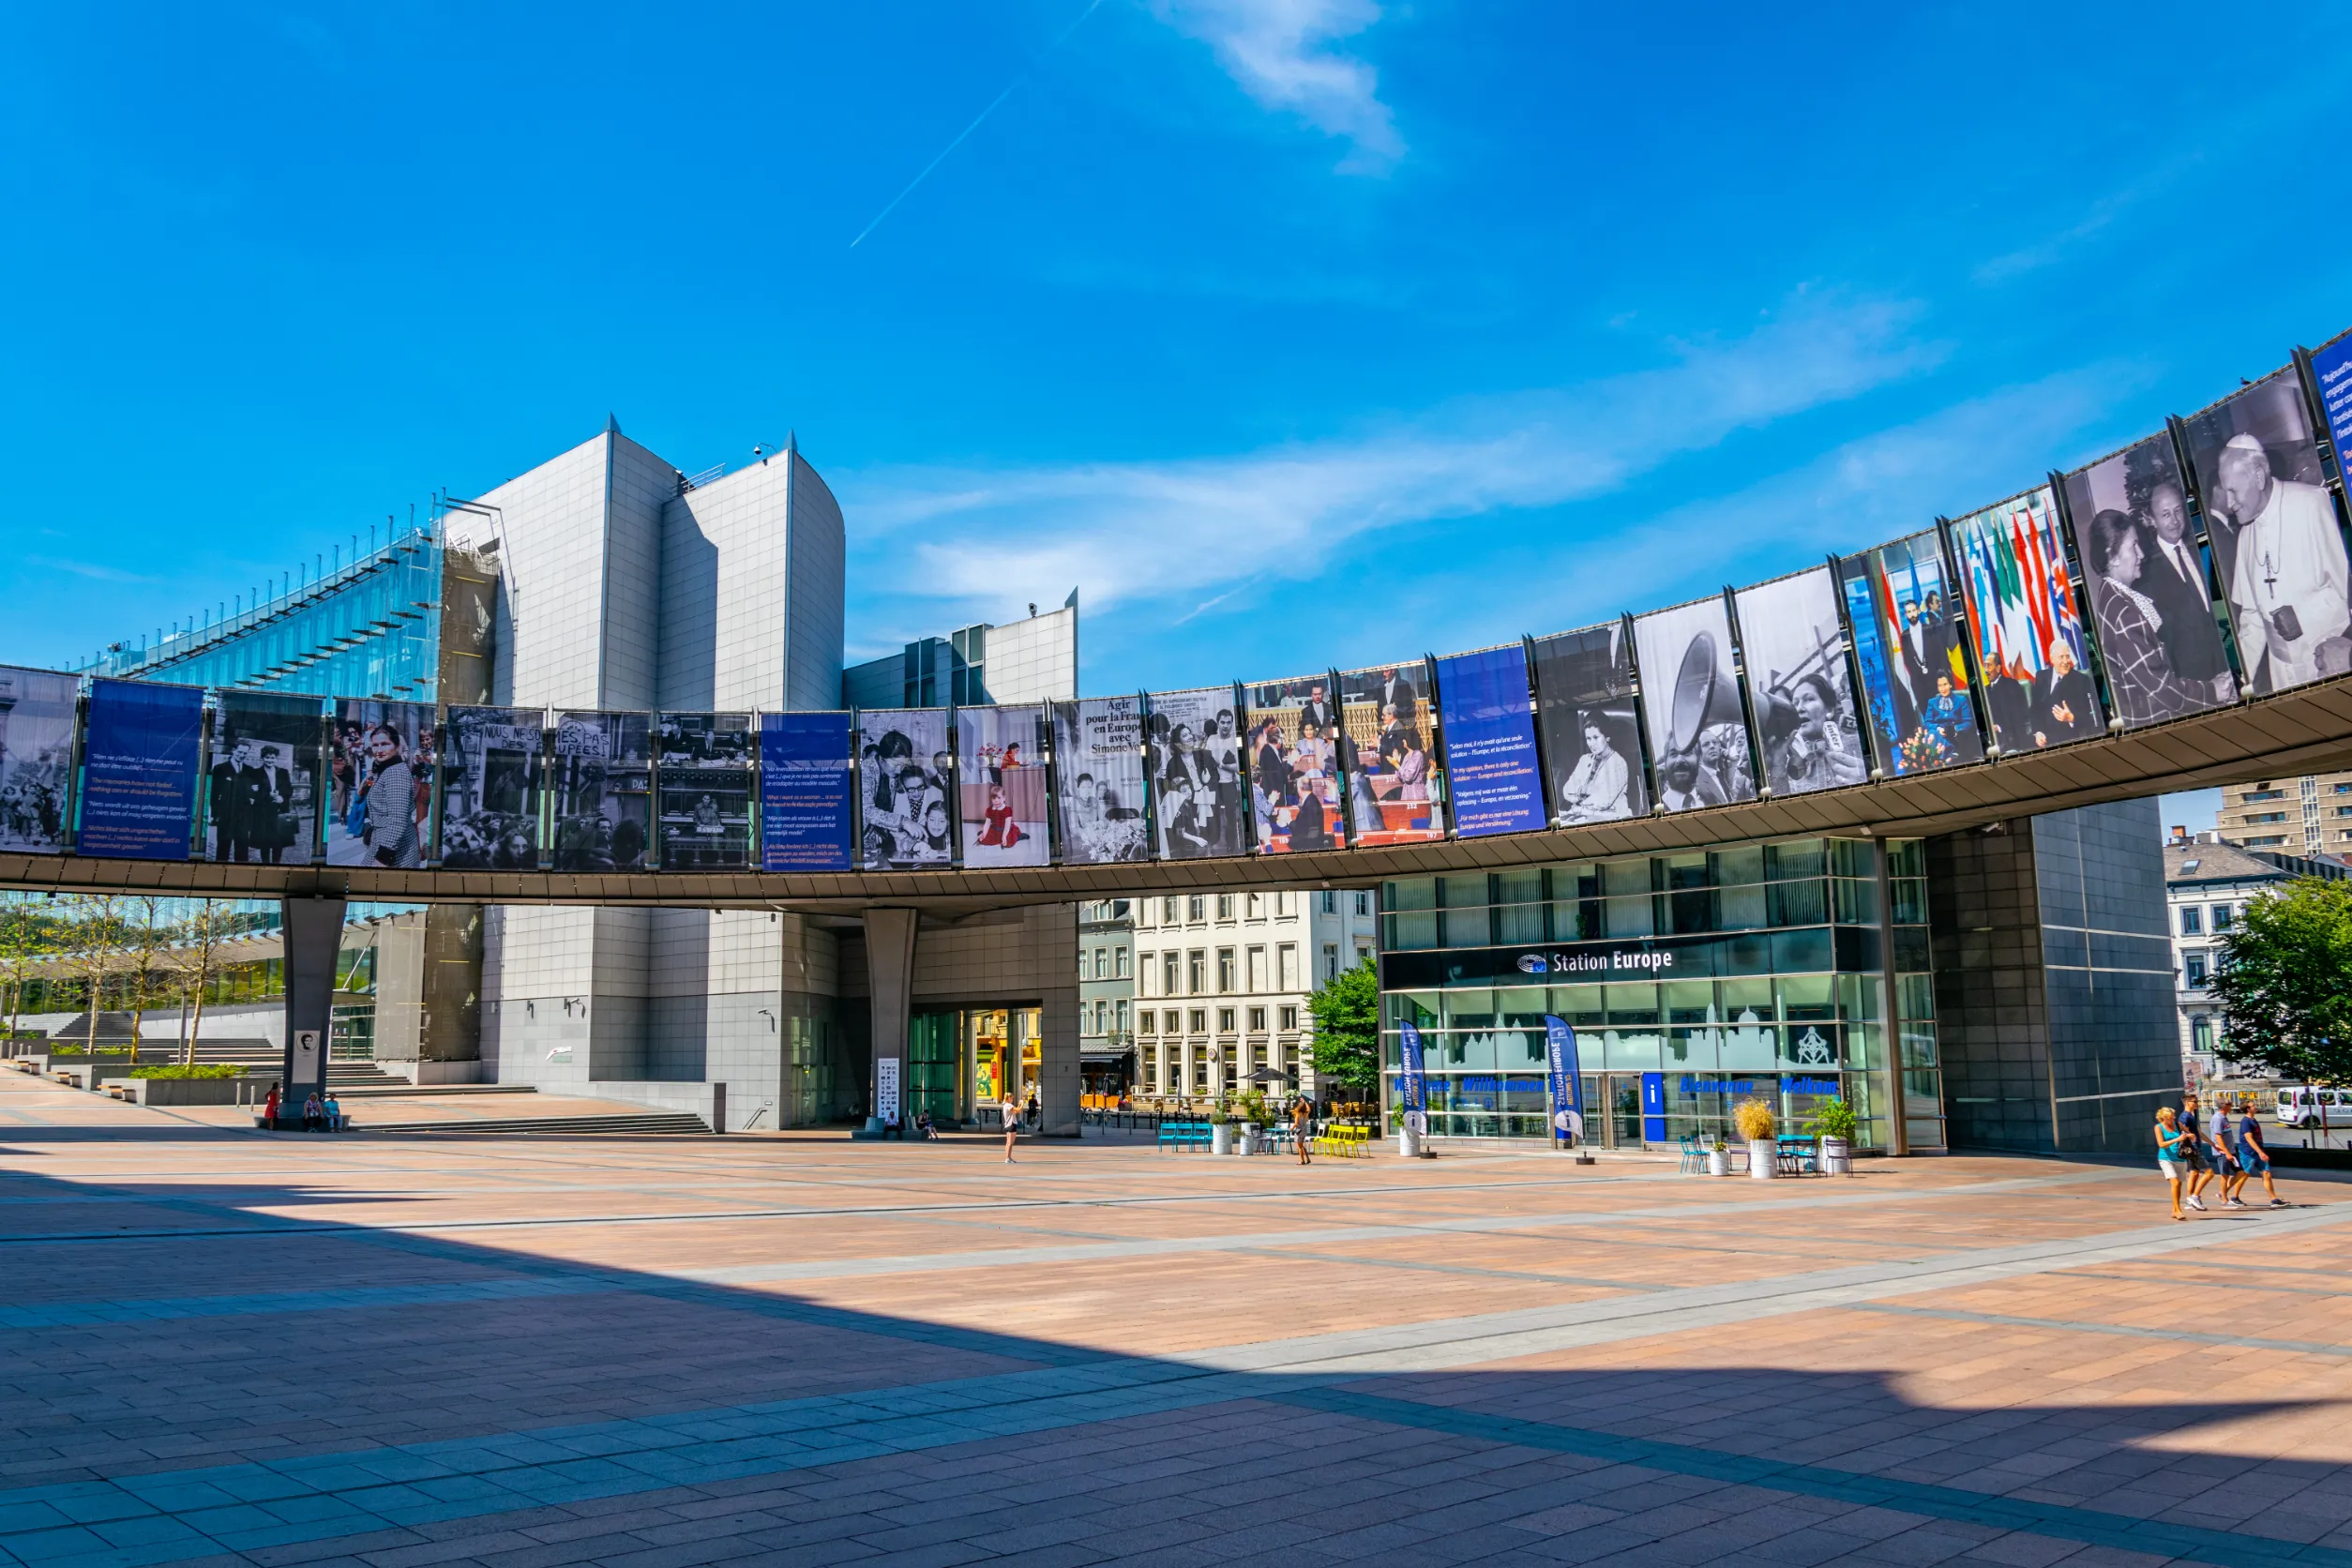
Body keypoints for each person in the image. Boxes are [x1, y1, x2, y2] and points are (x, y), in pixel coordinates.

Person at [2214, 432, 2351, 691]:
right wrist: (2239, 676)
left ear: (2258, 475)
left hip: (2330, 663)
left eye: (2233, 491)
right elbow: (2252, 619)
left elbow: (2347, 588)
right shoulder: (2246, 536)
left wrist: (2303, 616)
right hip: (2283, 676)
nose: (2229, 503)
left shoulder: (2311, 503)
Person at [2084, 510, 2210, 726]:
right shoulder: (2123, 613)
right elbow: (2167, 692)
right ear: (2112, 557)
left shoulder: (2113, 598)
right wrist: (2214, 690)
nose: (2141, 554)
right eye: (2133, 546)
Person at [2138, 479, 2235, 701]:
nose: (2174, 521)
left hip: (2230, 673)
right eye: (2165, 514)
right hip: (2193, 691)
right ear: (2152, 520)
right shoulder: (2146, 575)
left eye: (2178, 511)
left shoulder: (2202, 549)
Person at [356, 725, 423, 868]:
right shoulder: (385, 769)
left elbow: (397, 821)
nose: (379, 751)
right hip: (383, 840)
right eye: (375, 745)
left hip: (395, 848)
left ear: (397, 746)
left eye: (385, 744)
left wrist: (382, 860)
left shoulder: (395, 773)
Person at [2028, 642, 2099, 747]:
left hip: (2069, 737)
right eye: (2061, 657)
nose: (2066, 661)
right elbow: (2035, 710)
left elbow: (2092, 716)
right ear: (2052, 659)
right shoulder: (2041, 676)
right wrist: (2038, 732)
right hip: (2043, 738)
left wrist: (2072, 717)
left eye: (2068, 657)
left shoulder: (2081, 680)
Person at [1560, 719, 1632, 822]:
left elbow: (1604, 801)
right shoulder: (1584, 759)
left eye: (1596, 737)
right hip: (1581, 815)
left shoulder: (1618, 762)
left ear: (1607, 737)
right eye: (1588, 739)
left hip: (1611, 818)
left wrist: (1579, 798)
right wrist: (1588, 791)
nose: (1592, 743)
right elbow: (1567, 791)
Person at [2234, 1102, 2287, 1208]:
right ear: (2248, 1109)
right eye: (2253, 1106)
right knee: (2244, 1175)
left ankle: (2274, 1200)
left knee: (2266, 1173)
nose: (2255, 1107)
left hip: (2258, 1152)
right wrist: (2260, 1152)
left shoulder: (2253, 1120)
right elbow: (2249, 1138)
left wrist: (2260, 1151)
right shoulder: (2246, 1122)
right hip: (2248, 1152)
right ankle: (2234, 1197)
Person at [2178, 1092, 2212, 1211]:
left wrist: (2213, 1144)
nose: (2197, 1103)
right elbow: (2181, 1127)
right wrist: (2189, 1135)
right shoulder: (2185, 1116)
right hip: (2194, 1149)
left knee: (2194, 1173)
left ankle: (2189, 1201)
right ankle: (2195, 1197)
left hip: (2195, 1148)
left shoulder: (2190, 1115)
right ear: (2188, 1103)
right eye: (2195, 1101)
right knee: (2209, 1173)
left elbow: (2198, 1132)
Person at [2155, 1105, 2189, 1220]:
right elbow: (2161, 1144)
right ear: (2163, 1118)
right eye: (2170, 1118)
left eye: (2173, 1117)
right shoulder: (2158, 1127)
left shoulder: (2177, 1125)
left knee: (2178, 1184)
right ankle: (2178, 1210)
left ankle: (2175, 1210)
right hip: (2166, 1158)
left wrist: (2190, 1136)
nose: (2172, 1120)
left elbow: (2188, 1133)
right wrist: (2177, 1139)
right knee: (2174, 1182)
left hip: (2180, 1157)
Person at [976, 782, 1022, 848]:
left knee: (1008, 843)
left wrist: (1004, 836)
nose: (996, 801)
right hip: (996, 829)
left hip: (1006, 829)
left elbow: (1007, 825)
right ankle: (984, 833)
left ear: (1004, 798)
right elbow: (987, 823)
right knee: (982, 840)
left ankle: (1018, 837)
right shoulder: (989, 810)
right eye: (994, 798)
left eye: (999, 798)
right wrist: (984, 834)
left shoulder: (1007, 810)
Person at [1292, 1094, 1314, 1165]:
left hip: (1299, 1131)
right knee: (1301, 1145)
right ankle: (1308, 1159)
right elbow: (1309, 1109)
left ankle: (1302, 1160)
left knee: (1299, 1146)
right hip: (1304, 1130)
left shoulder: (1298, 1114)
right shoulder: (1305, 1114)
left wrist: (1291, 1128)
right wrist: (1305, 1102)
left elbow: (1296, 1124)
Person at [1001, 1093, 1020, 1162]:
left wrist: (1019, 1106)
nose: (1012, 1099)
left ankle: (1008, 1157)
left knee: (1008, 1142)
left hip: (1008, 1125)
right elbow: (1018, 1110)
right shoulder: (1008, 1105)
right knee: (1010, 1143)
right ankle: (1007, 1158)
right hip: (1011, 1124)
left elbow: (1016, 1111)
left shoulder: (1005, 1105)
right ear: (1008, 1098)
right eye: (1012, 1098)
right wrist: (1022, 1104)